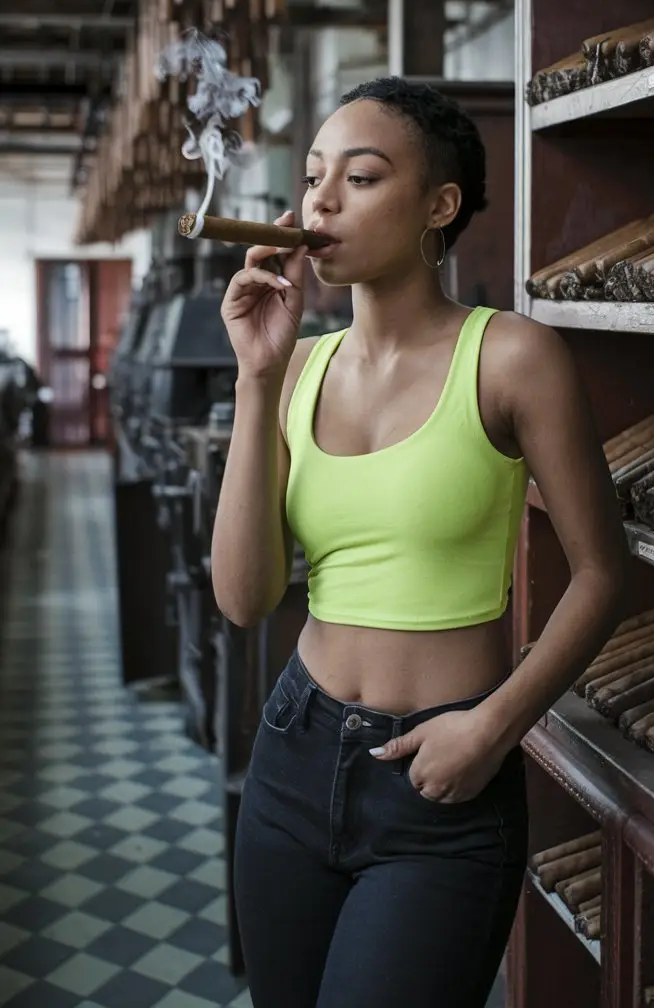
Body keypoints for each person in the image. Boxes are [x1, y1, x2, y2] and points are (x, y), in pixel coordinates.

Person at [213, 77, 627, 1008]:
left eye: (359, 178)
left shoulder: (512, 356)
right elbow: (244, 599)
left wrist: (494, 726)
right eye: (315, 176)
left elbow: (605, 573)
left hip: (441, 779)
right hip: (294, 751)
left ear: (440, 206)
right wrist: (256, 378)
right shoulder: (299, 365)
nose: (320, 200)